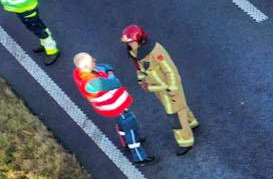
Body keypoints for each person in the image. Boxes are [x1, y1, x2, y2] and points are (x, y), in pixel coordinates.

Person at [122, 24, 197, 152]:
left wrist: (173, 89)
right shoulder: (136, 52)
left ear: (139, 40)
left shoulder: (156, 52)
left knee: (175, 117)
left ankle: (185, 142)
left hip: (168, 89)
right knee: (180, 109)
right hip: (158, 89)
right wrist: (142, 80)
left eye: (131, 42)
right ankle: (191, 122)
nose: (129, 45)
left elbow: (170, 71)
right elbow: (140, 68)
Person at [71, 53, 154, 163]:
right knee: (130, 127)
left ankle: (125, 143)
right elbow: (115, 82)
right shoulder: (94, 83)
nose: (95, 61)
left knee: (121, 124)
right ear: (86, 67)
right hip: (116, 106)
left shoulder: (78, 72)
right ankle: (139, 156)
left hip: (109, 107)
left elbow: (101, 67)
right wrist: (110, 72)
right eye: (92, 61)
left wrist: (103, 68)